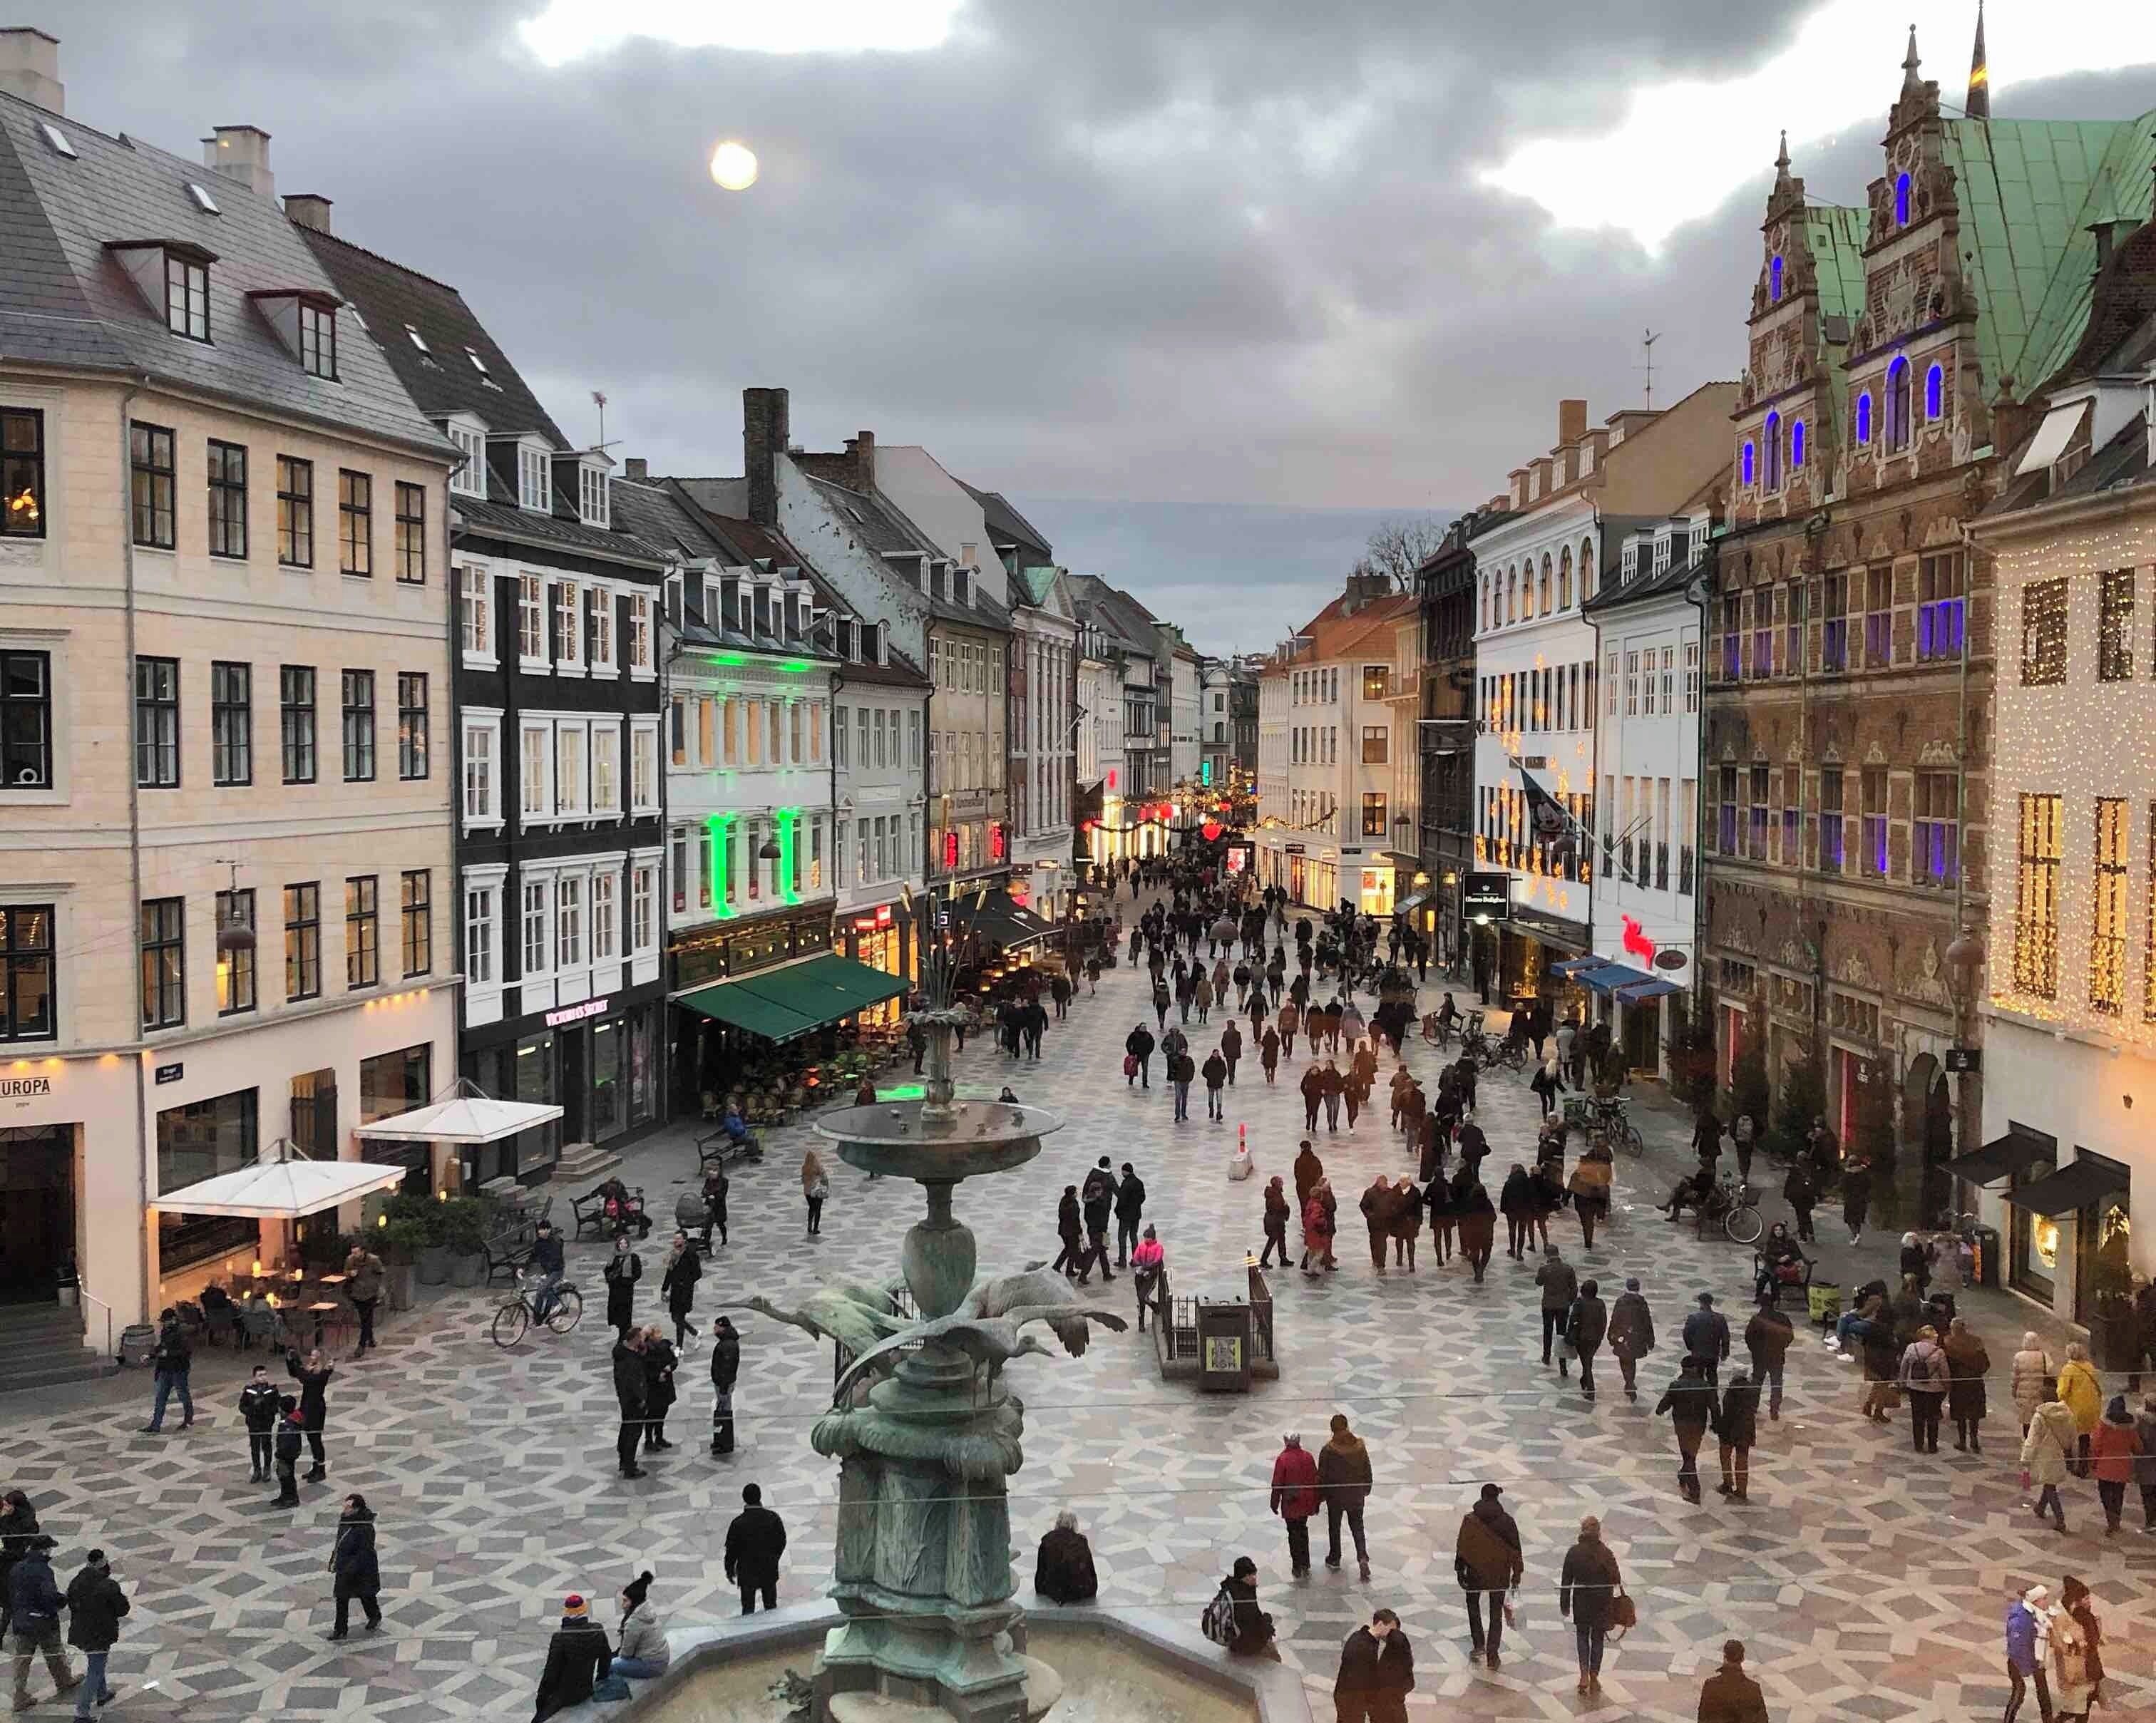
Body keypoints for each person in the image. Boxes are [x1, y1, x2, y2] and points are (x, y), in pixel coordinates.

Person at [1452, 1483, 1521, 1671]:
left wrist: (1460, 1570)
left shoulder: (1470, 1520)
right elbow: (1516, 1550)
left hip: (1475, 1572)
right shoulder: (1507, 1521)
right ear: (1497, 1498)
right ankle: (1493, 1655)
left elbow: (1462, 1547)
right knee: (1495, 1613)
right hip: (1499, 1573)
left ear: (1482, 1497)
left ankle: (1478, 1644)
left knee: (1472, 1605)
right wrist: (1517, 1575)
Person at [6, 1533, 71, 1712]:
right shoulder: (43, 1570)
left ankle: (19, 1696)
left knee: (22, 1661)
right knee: (54, 1653)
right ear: (44, 1550)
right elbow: (48, 1596)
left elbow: (12, 1591)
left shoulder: (17, 1568)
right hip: (43, 1621)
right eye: (50, 1548)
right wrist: (62, 1600)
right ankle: (64, 1680)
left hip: (21, 1620)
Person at [62, 1548, 126, 1718]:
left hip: (80, 1632)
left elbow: (70, 1601)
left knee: (96, 1662)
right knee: (95, 1670)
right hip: (100, 1634)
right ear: (100, 1563)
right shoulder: (108, 1585)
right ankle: (82, 1713)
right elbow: (123, 1609)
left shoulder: (76, 1581)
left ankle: (102, 1694)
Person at [532, 1593, 613, 1722]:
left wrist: (542, 1697)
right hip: (587, 1689)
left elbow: (551, 1673)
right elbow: (606, 1658)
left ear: (567, 1613)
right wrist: (600, 1679)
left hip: (565, 1696)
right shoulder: (597, 1630)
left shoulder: (560, 1638)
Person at [1317, 1412, 1372, 1581]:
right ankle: (1362, 1557)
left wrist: (1321, 1496)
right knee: (1358, 1527)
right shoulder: (1360, 1446)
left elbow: (1322, 1475)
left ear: (1333, 1430)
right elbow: (1367, 1468)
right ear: (1347, 1426)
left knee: (1334, 1527)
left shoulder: (1328, 1450)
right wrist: (1367, 1487)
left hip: (1336, 1497)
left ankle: (1335, 1557)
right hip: (1356, 1496)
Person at [1655, 1355, 1718, 1503]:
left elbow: (1666, 1401)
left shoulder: (1676, 1385)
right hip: (1698, 1426)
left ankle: (1695, 1492)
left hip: (1682, 1426)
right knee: (1691, 1454)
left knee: (1688, 1456)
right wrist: (1716, 1423)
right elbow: (1714, 1407)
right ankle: (1683, 1475)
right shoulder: (1706, 1386)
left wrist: (1660, 1410)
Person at [1333, 1608, 1414, 1723]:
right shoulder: (1364, 1647)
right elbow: (1361, 1680)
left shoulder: (1360, 1637)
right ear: (1380, 1624)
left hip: (1347, 1697)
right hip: (1351, 1700)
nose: (1392, 1635)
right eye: (1392, 1631)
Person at [2022, 1380, 2078, 1531]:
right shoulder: (2067, 1413)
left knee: (2050, 1485)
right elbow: (2073, 1434)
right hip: (2060, 1453)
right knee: (2049, 1482)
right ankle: (2040, 1508)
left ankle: (2060, 1520)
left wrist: (2026, 1458)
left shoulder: (2040, 1416)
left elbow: (2032, 1439)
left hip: (2045, 1456)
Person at [723, 1483, 786, 1614]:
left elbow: (731, 1551)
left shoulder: (737, 1523)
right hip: (768, 1569)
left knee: (747, 1609)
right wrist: (774, 1558)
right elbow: (781, 1542)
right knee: (771, 1607)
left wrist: (729, 1570)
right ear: (760, 1497)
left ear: (744, 1498)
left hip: (747, 1572)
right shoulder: (773, 1518)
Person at [327, 1493, 382, 1640]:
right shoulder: (345, 1522)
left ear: (356, 1509)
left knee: (366, 1594)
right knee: (341, 1598)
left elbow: (365, 1551)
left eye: (348, 1507)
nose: (345, 1509)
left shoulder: (365, 1527)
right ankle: (340, 1629)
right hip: (345, 1568)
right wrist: (335, 1560)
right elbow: (339, 1542)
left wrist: (352, 1567)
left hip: (362, 1568)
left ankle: (374, 1615)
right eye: (345, 1506)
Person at [1268, 1433, 1320, 1579]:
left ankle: (1297, 1565)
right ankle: (1305, 1563)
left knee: (1293, 1533)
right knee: (1303, 1530)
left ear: (1286, 1442)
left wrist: (1274, 1503)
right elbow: (1316, 1480)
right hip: (1306, 1502)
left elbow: (1277, 1484)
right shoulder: (1308, 1457)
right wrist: (1316, 1501)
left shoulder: (1282, 1459)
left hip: (1291, 1503)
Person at [2090, 1395, 2142, 1534]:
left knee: (2105, 1495)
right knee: (2118, 1495)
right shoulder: (2130, 1429)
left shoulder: (2103, 1427)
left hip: (2105, 1466)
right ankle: (2116, 1521)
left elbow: (2096, 1446)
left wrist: (2093, 1462)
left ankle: (2111, 1520)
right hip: (2123, 1467)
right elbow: (2137, 1447)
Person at [2055, 1575, 2104, 1720]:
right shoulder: (2083, 1617)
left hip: (2080, 1668)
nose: (2089, 1601)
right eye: (2086, 1599)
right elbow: (2092, 1641)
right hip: (2083, 1669)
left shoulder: (2072, 1615)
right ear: (2077, 1600)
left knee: (2080, 1705)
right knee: (2080, 1707)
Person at [1899, 1324, 1951, 1454]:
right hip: (1934, 1389)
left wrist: (1903, 1382)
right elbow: (1945, 1372)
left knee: (1917, 1416)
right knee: (1933, 1417)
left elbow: (1904, 1366)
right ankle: (1932, 1445)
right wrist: (1947, 1386)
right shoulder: (1939, 1352)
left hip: (1915, 1387)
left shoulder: (1911, 1348)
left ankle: (1919, 1445)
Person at [285, 1345, 334, 1481]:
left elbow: (306, 1379)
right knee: (311, 1439)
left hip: (316, 1410)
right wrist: (291, 1361)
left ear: (320, 1358)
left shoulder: (323, 1373)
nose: (311, 1358)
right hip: (307, 1406)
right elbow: (297, 1374)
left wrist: (299, 1365)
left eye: (314, 1356)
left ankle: (321, 1469)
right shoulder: (311, 1370)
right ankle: (316, 1467)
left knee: (315, 1439)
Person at [141, 1306, 194, 1434]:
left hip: (178, 1369)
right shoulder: (165, 1332)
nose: (163, 1324)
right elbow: (162, 1347)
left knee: (183, 1395)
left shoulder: (182, 1332)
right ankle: (156, 1425)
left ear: (173, 1320)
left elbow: (186, 1352)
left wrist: (169, 1353)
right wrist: (151, 1355)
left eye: (165, 1321)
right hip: (165, 1368)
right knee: (161, 1397)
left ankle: (188, 1419)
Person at [611, 1571, 671, 1683]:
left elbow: (626, 1655)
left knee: (611, 1665)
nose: (622, 1605)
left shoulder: (634, 1623)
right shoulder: (647, 1609)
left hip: (652, 1665)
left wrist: (615, 1657)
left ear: (634, 1602)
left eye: (625, 1601)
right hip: (661, 1658)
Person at [2003, 1584, 2051, 1723]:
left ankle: (2048, 1719)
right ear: (2036, 1601)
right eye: (2044, 1599)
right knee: (2019, 1692)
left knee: (2043, 1690)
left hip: (2035, 1659)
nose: (2046, 1602)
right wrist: (2026, 1668)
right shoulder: (2022, 1618)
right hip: (2020, 1662)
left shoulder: (2035, 1612)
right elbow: (2018, 1646)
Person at [1944, 1317, 1991, 1453]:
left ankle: (1962, 1441)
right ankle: (1974, 1440)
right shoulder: (1976, 1342)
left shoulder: (1949, 1343)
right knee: (1974, 1414)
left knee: (1960, 1414)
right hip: (1975, 1383)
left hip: (1959, 1384)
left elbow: (1946, 1365)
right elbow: (1985, 1364)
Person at [1745, 1295, 1794, 1422]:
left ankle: (1753, 1406)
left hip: (1760, 1357)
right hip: (1777, 1356)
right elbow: (1789, 1336)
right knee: (1776, 1383)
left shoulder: (1756, 1320)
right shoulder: (1782, 1318)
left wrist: (1755, 1351)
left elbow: (1749, 1338)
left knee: (1757, 1381)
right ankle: (1774, 1409)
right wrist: (1782, 1347)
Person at [2057, 1342, 2103, 1476]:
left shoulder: (2068, 1369)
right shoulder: (2090, 1367)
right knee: (2085, 1437)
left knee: (2068, 1435)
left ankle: (2069, 1464)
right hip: (2091, 1406)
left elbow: (2062, 1392)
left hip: (2075, 1408)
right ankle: (2083, 1466)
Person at [1218, 1556, 1278, 1660]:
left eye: (1254, 1574)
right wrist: (1268, 1630)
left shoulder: (1231, 1587)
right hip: (1244, 1643)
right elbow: (1252, 1624)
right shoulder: (1243, 1596)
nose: (1254, 1577)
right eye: (1250, 1575)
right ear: (1243, 1577)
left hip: (1233, 1639)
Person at [1697, 1639, 1769, 1723]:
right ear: (1742, 1659)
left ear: (1725, 1657)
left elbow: (1702, 1719)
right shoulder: (1753, 1689)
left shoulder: (1711, 1686)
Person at [1033, 1511, 1097, 1604]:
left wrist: (1040, 1590)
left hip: (1054, 1590)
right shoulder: (1081, 1542)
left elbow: (1041, 1571)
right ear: (1074, 1524)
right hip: (1078, 1591)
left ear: (1058, 1523)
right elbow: (1090, 1569)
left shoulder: (1047, 1540)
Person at [1716, 1367, 1760, 1501]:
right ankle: (1742, 1490)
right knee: (1742, 1461)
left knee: (1725, 1456)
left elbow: (1728, 1413)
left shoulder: (1731, 1392)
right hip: (1746, 1430)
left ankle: (1727, 1483)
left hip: (1730, 1430)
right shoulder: (1753, 1391)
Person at [1609, 1277, 1655, 1400]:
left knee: (1624, 1360)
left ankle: (1629, 1382)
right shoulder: (1642, 1302)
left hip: (1623, 1337)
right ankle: (1630, 1382)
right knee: (1632, 1360)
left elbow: (1615, 1320)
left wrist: (1611, 1336)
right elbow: (1647, 1322)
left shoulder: (1621, 1301)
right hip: (1637, 1338)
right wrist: (1650, 1339)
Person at [612, 1328, 649, 1479]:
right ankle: (629, 1466)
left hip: (625, 1400)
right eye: (640, 1338)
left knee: (626, 1428)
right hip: (633, 1402)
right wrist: (641, 1399)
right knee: (633, 1433)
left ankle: (624, 1459)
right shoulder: (630, 1361)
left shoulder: (621, 1353)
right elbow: (634, 1383)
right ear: (634, 1339)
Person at [0, 1489, 35, 1647]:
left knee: (11, 1602)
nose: (4, 1507)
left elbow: (19, 1549)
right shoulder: (9, 1518)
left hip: (15, 1567)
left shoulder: (27, 1524)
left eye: (7, 1505)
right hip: (6, 1565)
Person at [1536, 1244, 1578, 1369]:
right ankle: (1562, 1362)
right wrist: (1570, 1301)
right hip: (1563, 1305)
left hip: (1548, 1305)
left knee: (1547, 1330)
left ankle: (1546, 1355)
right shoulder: (1568, 1269)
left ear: (1547, 1255)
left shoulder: (1544, 1269)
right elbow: (1574, 1288)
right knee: (1562, 1332)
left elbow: (1539, 1282)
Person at [237, 1362, 282, 1482]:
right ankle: (257, 1470)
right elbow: (242, 1406)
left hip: (266, 1422)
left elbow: (278, 1404)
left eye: (265, 1374)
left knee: (267, 1446)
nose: (263, 1377)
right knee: (255, 1448)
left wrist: (270, 1411)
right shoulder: (249, 1391)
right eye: (260, 1375)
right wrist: (251, 1410)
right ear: (255, 1377)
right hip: (253, 1423)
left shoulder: (272, 1390)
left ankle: (267, 1469)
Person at [1566, 1278, 1607, 1400]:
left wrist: (1570, 1333)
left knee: (1587, 1363)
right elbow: (1603, 1322)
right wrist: (1600, 1336)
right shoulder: (1600, 1304)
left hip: (1582, 1338)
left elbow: (1573, 1319)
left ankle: (1591, 1389)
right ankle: (1585, 1381)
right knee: (1588, 1361)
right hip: (1595, 1339)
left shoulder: (1580, 1302)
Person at [642, 1326, 680, 1451]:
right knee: (652, 1413)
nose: (660, 1336)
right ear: (651, 1337)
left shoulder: (665, 1347)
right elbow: (644, 1371)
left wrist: (670, 1367)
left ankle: (659, 1436)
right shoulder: (646, 1350)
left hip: (665, 1386)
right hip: (653, 1388)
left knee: (663, 1411)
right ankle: (648, 1440)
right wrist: (657, 1376)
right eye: (657, 1334)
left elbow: (674, 1361)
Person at [659, 1233, 701, 1348]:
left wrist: (685, 1281)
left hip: (685, 1291)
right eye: (675, 1238)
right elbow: (670, 1272)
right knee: (675, 1318)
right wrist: (664, 1289)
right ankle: (695, 1333)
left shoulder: (691, 1255)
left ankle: (679, 1347)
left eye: (679, 1238)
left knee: (680, 1318)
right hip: (675, 1291)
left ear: (684, 1240)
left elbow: (698, 1274)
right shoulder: (673, 1255)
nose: (676, 1241)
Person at [344, 1243, 386, 1357]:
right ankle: (371, 1339)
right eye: (352, 1252)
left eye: (356, 1252)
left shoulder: (374, 1260)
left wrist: (379, 1289)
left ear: (363, 1251)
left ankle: (361, 1344)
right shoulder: (350, 1260)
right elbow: (345, 1273)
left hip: (370, 1293)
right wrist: (350, 1274)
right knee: (365, 1317)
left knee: (366, 1317)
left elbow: (381, 1273)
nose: (354, 1255)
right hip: (357, 1293)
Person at [2011, 1332, 2057, 1437]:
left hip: (2024, 1393)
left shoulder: (2019, 1356)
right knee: (2039, 1418)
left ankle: (2027, 1443)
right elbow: (2052, 1373)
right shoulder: (2044, 1356)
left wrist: (2014, 1390)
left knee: (2026, 1420)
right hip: (2040, 1392)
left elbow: (2015, 1376)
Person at [1080, 1159, 1117, 1284]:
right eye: (1100, 1190)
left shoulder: (1091, 1202)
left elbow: (1087, 1218)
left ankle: (1106, 1274)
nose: (1102, 1191)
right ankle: (1083, 1275)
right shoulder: (1098, 1203)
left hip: (1099, 1229)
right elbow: (1099, 1217)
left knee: (1103, 1250)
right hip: (1098, 1231)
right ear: (1096, 1191)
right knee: (1095, 1252)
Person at [1683, 1292, 1731, 1384]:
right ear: (1711, 1303)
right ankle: (1713, 1397)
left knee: (1698, 1377)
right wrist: (1725, 1352)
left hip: (1698, 1353)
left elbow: (1686, 1334)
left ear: (1700, 1303)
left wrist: (1691, 1347)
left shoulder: (1693, 1318)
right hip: (1713, 1353)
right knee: (1712, 1375)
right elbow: (1725, 1337)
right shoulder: (1720, 1318)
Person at [709, 1315, 741, 1456]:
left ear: (722, 1327)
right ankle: (721, 1440)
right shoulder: (727, 1342)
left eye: (716, 1327)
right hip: (723, 1383)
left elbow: (727, 1368)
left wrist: (723, 1387)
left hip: (724, 1384)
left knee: (724, 1413)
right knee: (722, 1411)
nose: (714, 1330)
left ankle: (725, 1443)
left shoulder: (727, 1345)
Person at [1455, 1178, 1497, 1283]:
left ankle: (1477, 1270)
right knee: (1486, 1253)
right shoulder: (1487, 1203)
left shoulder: (1469, 1203)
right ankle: (1481, 1270)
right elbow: (1494, 1217)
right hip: (1486, 1232)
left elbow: (1463, 1217)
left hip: (1473, 1233)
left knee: (1474, 1253)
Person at [603, 1233, 642, 1339]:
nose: (623, 1245)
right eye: (621, 1243)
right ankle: (623, 1335)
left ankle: (623, 1337)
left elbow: (637, 1273)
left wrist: (628, 1281)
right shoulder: (614, 1257)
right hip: (615, 1290)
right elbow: (607, 1270)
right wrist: (610, 1279)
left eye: (625, 1243)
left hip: (626, 1291)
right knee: (616, 1314)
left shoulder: (633, 1258)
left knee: (625, 1316)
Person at [270, 1394, 305, 1508]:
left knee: (286, 1477)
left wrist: (279, 1455)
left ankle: (290, 1499)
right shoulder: (293, 1419)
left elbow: (285, 1444)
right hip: (291, 1454)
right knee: (286, 1476)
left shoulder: (287, 1426)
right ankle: (285, 1496)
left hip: (286, 1456)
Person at [1131, 1227, 1166, 1334]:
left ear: (1152, 1238)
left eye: (1147, 1238)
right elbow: (1135, 1258)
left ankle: (1154, 1305)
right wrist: (1138, 1264)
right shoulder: (1141, 1246)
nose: (1145, 1240)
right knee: (1140, 1300)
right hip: (1140, 1275)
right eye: (1145, 1238)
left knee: (1143, 1296)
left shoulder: (1158, 1247)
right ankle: (1141, 1323)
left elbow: (1157, 1261)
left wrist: (1145, 1267)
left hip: (1150, 1276)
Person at [1114, 1162, 1147, 1266]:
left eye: (1122, 1171)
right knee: (1134, 1237)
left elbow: (1122, 1200)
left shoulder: (1126, 1184)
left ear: (1125, 1171)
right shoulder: (1139, 1182)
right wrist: (1136, 1206)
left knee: (1122, 1237)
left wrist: (1117, 1211)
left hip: (1125, 1216)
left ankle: (1122, 1261)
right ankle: (1136, 1259)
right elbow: (1143, 1198)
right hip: (1136, 1215)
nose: (1121, 1173)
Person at [1782, 1159, 1818, 1244]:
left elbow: (1788, 1184)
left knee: (1801, 1217)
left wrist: (1786, 1195)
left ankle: (1803, 1237)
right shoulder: (1809, 1170)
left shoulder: (1794, 1172)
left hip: (1799, 1199)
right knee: (1807, 1216)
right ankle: (1811, 1234)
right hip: (1808, 1199)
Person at [1260, 1176, 1290, 1268]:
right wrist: (1285, 1206)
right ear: (1277, 1184)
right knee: (1272, 1241)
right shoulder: (1275, 1194)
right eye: (1281, 1182)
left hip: (1277, 1221)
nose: (1282, 1184)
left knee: (1281, 1239)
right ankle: (1263, 1260)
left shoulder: (1276, 1192)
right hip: (1274, 1222)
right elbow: (1277, 1208)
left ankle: (1283, 1258)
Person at [1842, 1153, 1872, 1247]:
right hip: (1861, 1199)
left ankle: (1855, 1235)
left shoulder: (1847, 1174)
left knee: (1849, 1219)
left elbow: (1843, 1186)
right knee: (1858, 1219)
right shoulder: (1863, 1173)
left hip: (1850, 1199)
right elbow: (1868, 1185)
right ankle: (1857, 1235)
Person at [699, 1163, 730, 1249]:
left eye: (715, 1171)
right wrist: (707, 1194)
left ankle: (724, 1238)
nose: (712, 1173)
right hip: (709, 1206)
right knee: (708, 1224)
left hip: (719, 1206)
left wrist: (714, 1195)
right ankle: (706, 1241)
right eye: (710, 1171)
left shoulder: (724, 1181)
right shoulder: (708, 1180)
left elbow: (722, 1194)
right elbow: (704, 1191)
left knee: (720, 1223)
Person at [801, 1148, 829, 1238]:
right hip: (816, 1190)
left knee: (811, 1208)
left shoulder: (805, 1167)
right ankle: (815, 1229)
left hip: (807, 1192)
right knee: (818, 1210)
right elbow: (824, 1176)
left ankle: (809, 1226)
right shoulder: (817, 1166)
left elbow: (803, 1180)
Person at [1201, 1047, 1228, 1120]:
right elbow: (1204, 1072)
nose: (1216, 1055)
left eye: (1217, 1053)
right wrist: (1209, 1077)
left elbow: (1225, 1071)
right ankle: (1211, 1110)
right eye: (1215, 1054)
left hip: (1219, 1083)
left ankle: (1219, 1112)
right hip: (1211, 1084)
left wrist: (1222, 1077)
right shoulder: (1208, 1062)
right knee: (1211, 1098)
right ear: (1212, 1054)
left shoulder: (1222, 1062)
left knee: (1219, 1099)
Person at [1125, 1024, 1155, 1088]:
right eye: (1143, 1027)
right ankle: (1131, 1080)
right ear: (1140, 1027)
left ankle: (1145, 1083)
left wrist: (1148, 1052)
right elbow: (1128, 1044)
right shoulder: (1134, 1035)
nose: (1144, 1028)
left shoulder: (1148, 1035)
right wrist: (1131, 1053)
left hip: (1145, 1055)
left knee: (1145, 1070)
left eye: (1145, 1027)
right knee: (1133, 1068)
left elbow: (1152, 1044)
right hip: (1136, 1055)